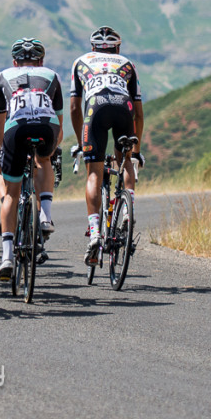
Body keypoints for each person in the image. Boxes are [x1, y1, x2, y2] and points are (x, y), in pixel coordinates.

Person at [69, 26, 144, 266]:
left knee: (94, 173)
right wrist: (136, 151)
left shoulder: (80, 62)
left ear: (93, 48)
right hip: (124, 107)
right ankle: (126, 212)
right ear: (117, 48)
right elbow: (139, 114)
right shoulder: (127, 63)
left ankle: (95, 234)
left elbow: (73, 108)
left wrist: (83, 141)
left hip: (95, 107)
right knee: (126, 161)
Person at [0, 38, 64, 281]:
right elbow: (59, 121)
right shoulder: (52, 75)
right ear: (41, 60)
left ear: (15, 61)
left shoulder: (2, 76)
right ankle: (45, 215)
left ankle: (7, 257)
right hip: (47, 126)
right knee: (45, 159)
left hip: (15, 128)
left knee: (11, 193)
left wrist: (5, 149)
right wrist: (52, 148)